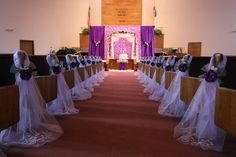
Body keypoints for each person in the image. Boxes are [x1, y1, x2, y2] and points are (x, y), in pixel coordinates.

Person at [0, 50, 63, 147]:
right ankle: (30, 123)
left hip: (20, 83)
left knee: (22, 102)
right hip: (29, 83)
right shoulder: (29, 65)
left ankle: (23, 124)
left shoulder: (16, 66)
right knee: (29, 102)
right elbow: (33, 72)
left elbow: (13, 71)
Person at [174, 53, 227, 152]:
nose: (216, 59)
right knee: (205, 107)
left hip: (215, 87)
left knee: (211, 107)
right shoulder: (209, 66)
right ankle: (203, 129)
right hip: (208, 86)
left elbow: (221, 74)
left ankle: (210, 131)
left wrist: (212, 76)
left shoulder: (220, 68)